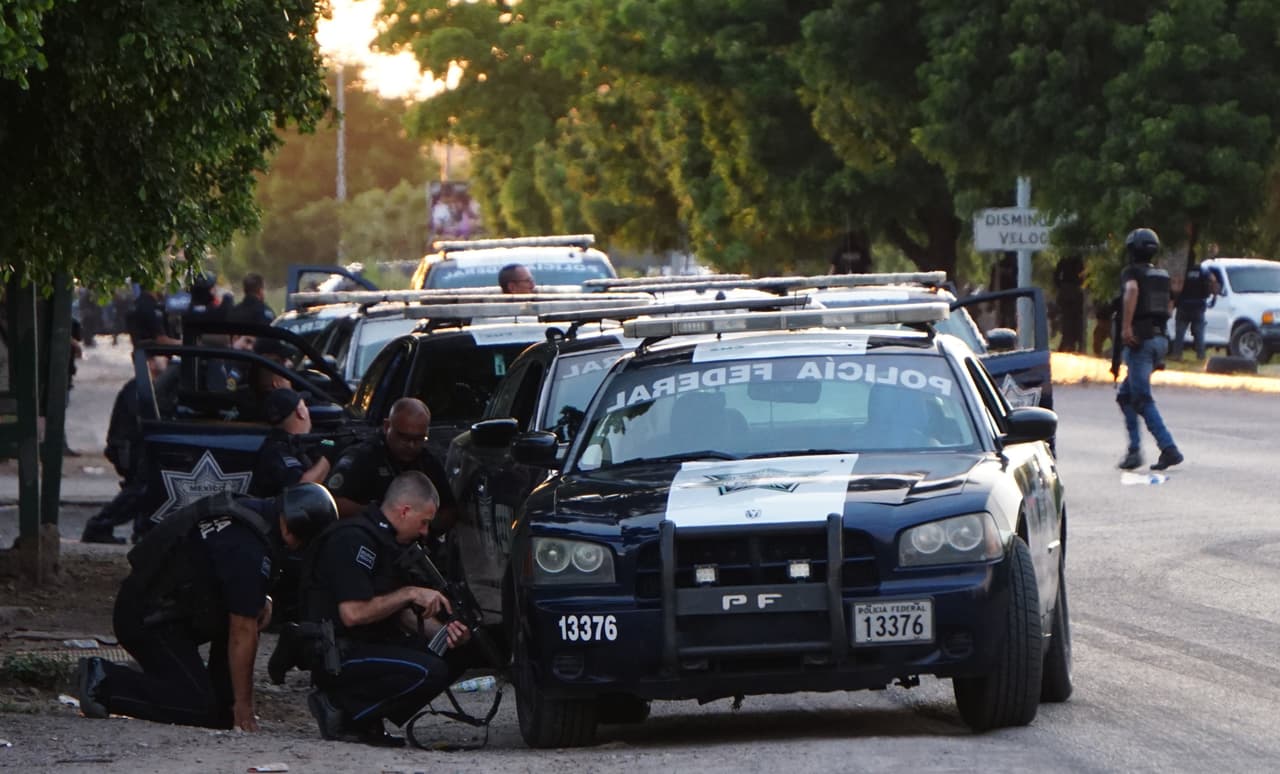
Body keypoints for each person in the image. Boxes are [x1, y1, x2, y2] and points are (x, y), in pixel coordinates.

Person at [74, 483, 338, 731]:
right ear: (293, 530)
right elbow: (241, 631)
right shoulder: (247, 547)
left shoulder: (254, 514)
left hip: (163, 607)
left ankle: (220, 701)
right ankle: (104, 680)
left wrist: (260, 599)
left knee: (219, 714)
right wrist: (245, 705)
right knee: (198, 706)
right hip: (147, 619)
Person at [299, 471, 470, 747]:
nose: (426, 531)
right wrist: (409, 593)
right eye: (424, 522)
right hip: (339, 653)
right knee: (430, 671)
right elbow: (353, 614)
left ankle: (366, 719)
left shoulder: (386, 544)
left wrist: (448, 634)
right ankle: (339, 707)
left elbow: (396, 613)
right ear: (404, 511)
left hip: (369, 645)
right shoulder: (353, 538)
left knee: (454, 655)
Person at [326, 398, 457, 530]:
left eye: (419, 439)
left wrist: (423, 524)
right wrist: (379, 516)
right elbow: (332, 501)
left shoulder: (428, 462)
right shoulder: (363, 456)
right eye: (404, 437)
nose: (411, 445)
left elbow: (449, 510)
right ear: (387, 426)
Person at [81, 354, 171, 544]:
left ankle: (141, 531)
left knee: (144, 491)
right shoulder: (139, 388)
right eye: (163, 357)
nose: (167, 361)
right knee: (138, 491)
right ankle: (99, 526)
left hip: (135, 448)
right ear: (150, 361)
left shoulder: (153, 387)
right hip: (128, 449)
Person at [1115, 227, 1183, 471]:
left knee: (1141, 398)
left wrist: (1126, 327)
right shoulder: (1161, 275)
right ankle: (1134, 450)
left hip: (1140, 343)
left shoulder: (1131, 273)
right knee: (1125, 396)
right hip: (1160, 341)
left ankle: (1168, 448)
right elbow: (1171, 302)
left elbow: (1132, 290)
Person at [251, 388, 331, 497]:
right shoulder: (277, 451)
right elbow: (302, 490)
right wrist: (329, 456)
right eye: (304, 407)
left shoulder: (280, 442)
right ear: (300, 412)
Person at [1170, 256, 1220, 360]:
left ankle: (1177, 355)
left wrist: (1174, 300)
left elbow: (1176, 288)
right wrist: (1214, 295)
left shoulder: (1182, 271)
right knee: (1199, 334)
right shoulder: (1203, 270)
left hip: (1183, 306)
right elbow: (1213, 280)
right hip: (1198, 306)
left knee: (1179, 333)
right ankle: (1201, 357)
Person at [1053, 254, 1086, 353]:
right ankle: (1075, 344)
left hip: (1067, 290)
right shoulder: (1079, 260)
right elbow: (1083, 276)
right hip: (1074, 290)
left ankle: (1069, 343)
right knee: (1075, 319)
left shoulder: (1064, 259)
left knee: (1068, 319)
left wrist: (1061, 286)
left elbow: (1056, 276)